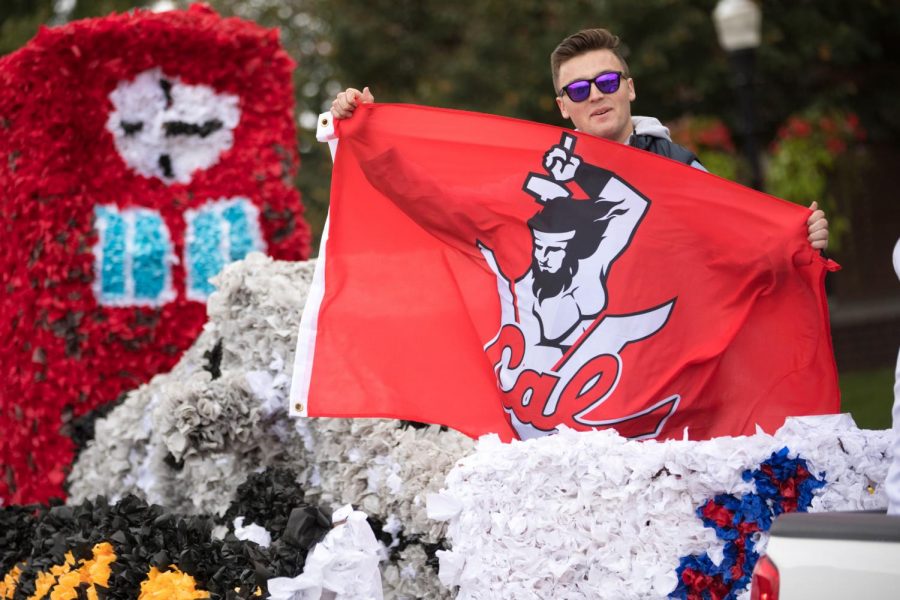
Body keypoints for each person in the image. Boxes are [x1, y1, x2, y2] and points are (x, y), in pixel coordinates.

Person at [330, 28, 830, 250]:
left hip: (671, 376)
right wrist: (373, 137)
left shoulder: (678, 166)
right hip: (579, 379)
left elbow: (736, 241)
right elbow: (445, 208)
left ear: (630, 88)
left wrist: (797, 238)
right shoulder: (537, 174)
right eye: (579, 88)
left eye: (609, 82)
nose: (597, 95)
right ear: (563, 107)